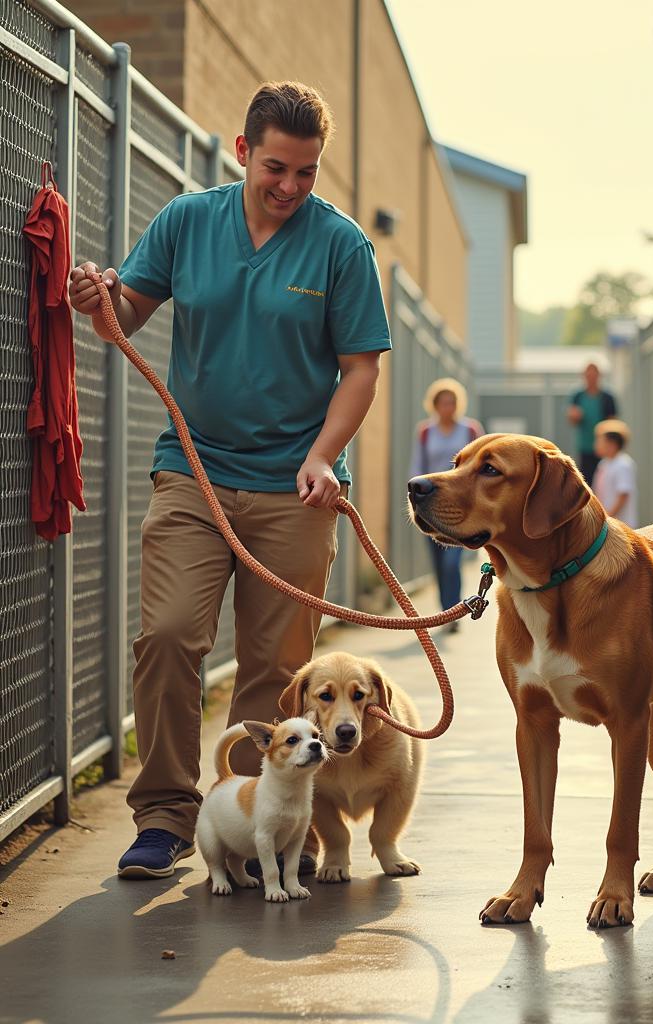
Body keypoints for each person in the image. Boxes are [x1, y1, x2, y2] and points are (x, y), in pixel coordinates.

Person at [68, 81, 392, 880]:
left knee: (277, 669)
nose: (289, 187)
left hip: (297, 487)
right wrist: (97, 298)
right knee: (171, 634)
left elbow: (360, 370)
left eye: (306, 174)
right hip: (194, 471)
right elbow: (129, 314)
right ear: (243, 151)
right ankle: (167, 815)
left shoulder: (341, 245)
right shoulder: (187, 221)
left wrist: (322, 454)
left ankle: (265, 826)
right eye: (275, 168)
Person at [410, 378, 483, 631]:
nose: (448, 407)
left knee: (452, 563)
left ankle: (453, 613)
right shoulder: (425, 431)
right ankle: (446, 611)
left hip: (460, 505)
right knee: (439, 565)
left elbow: (480, 468)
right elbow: (417, 465)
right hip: (429, 503)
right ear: (435, 405)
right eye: (443, 402)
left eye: (452, 402)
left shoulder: (470, 430)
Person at [567, 362, 617, 485]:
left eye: (594, 375)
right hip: (585, 447)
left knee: (605, 482)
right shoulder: (578, 396)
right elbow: (571, 420)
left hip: (605, 448)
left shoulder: (607, 397)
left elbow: (613, 423)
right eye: (588, 375)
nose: (591, 378)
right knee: (587, 482)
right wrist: (574, 416)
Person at [592, 419, 637, 527]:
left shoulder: (623, 464)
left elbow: (623, 495)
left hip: (622, 525)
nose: (596, 444)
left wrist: (608, 516)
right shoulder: (603, 464)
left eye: (599, 441)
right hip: (608, 523)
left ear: (612, 444)